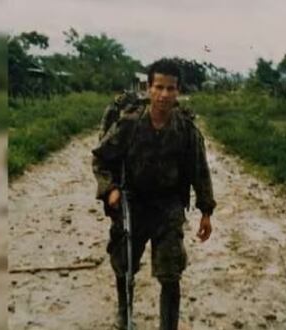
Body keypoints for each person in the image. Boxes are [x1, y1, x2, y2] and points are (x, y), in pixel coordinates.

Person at [92, 58, 216, 330]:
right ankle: (125, 314)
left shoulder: (186, 129)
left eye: (170, 88)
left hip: (168, 206)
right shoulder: (130, 124)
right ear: (148, 89)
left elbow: (200, 171)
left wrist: (206, 212)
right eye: (158, 87)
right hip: (133, 203)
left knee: (171, 272)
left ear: (178, 90)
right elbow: (101, 159)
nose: (164, 95)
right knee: (124, 264)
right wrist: (110, 189)